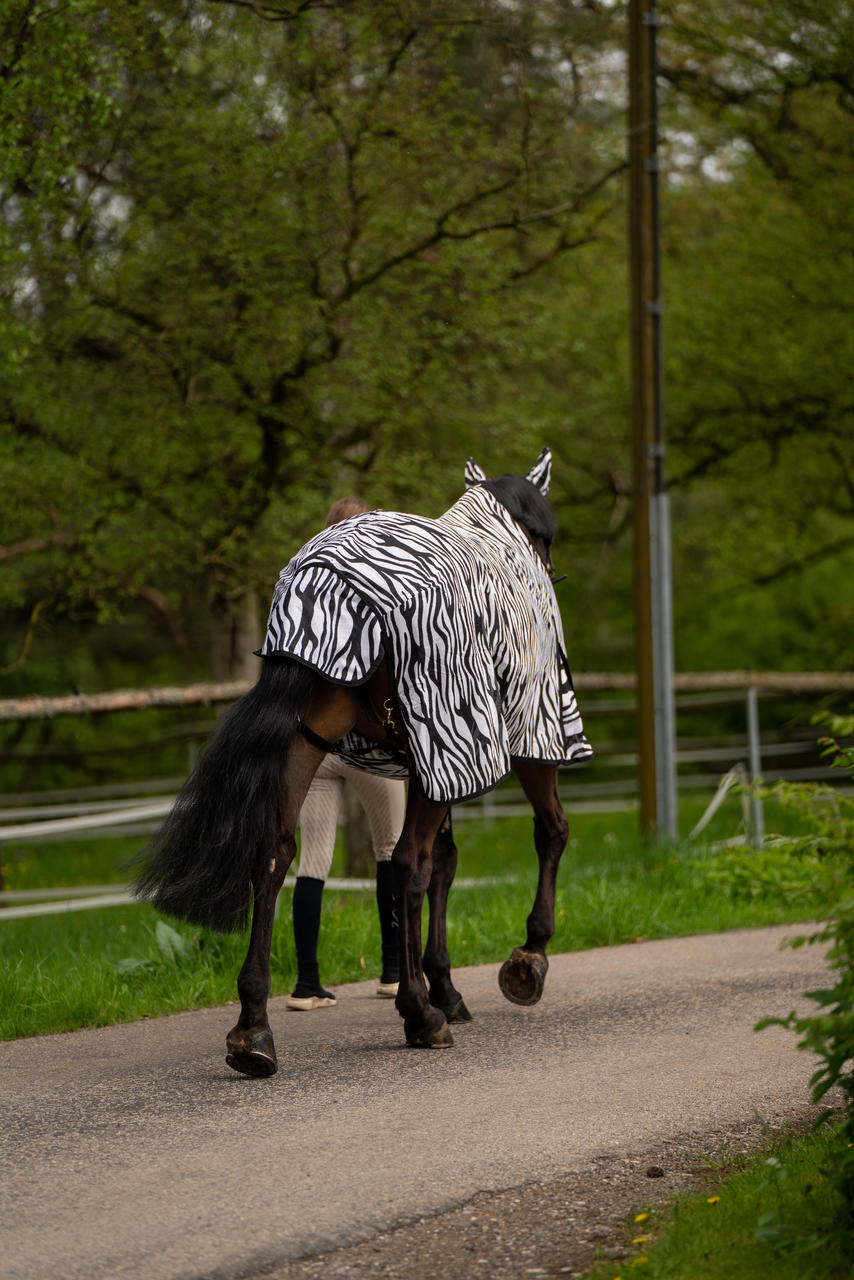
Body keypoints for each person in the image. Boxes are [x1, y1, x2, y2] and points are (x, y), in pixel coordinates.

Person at [286, 498, 406, 1011]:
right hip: (362, 744)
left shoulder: (306, 584)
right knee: (393, 848)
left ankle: (306, 984)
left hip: (313, 743)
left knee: (312, 861)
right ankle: (394, 972)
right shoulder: (376, 584)